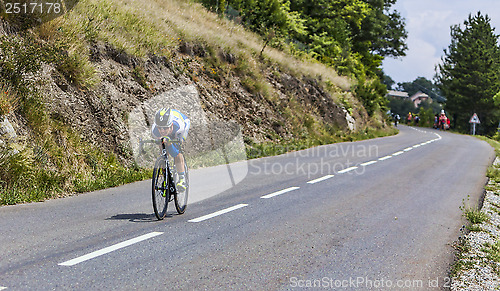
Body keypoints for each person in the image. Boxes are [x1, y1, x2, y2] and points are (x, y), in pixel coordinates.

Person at [151, 108, 190, 191]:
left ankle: (182, 179)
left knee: (177, 151)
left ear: (171, 125)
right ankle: (166, 178)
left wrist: (170, 143)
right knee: (163, 149)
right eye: (160, 128)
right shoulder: (154, 131)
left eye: (165, 128)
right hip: (171, 126)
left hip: (183, 123)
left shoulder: (180, 128)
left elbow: (175, 153)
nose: (162, 131)